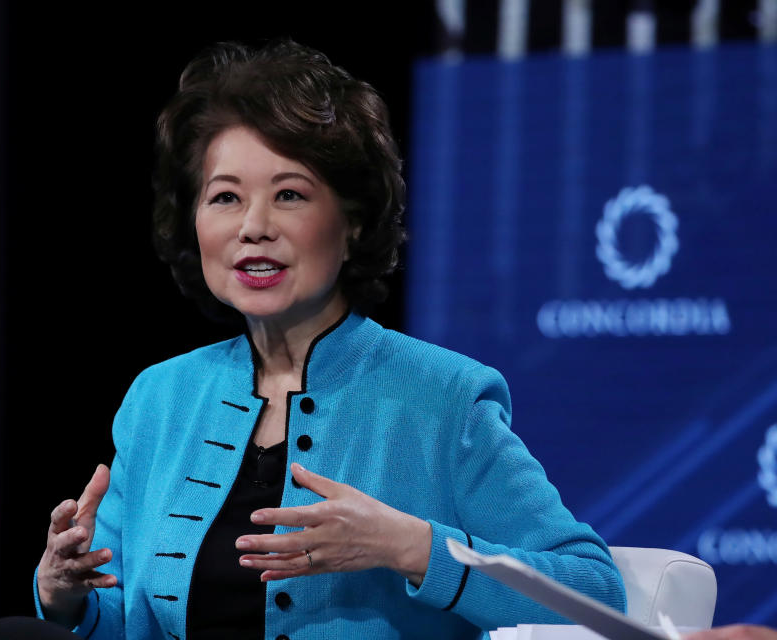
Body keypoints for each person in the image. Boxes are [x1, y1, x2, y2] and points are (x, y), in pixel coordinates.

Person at [31, 39, 627, 639]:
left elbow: (593, 593)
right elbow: (126, 623)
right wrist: (63, 596)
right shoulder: (160, 398)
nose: (254, 227)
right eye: (225, 198)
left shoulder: (445, 397)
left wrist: (413, 546)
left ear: (354, 221)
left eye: (289, 194)